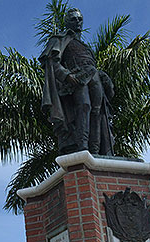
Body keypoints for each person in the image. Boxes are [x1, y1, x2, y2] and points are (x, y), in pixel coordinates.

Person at [40, 8, 115, 156]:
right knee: (84, 106)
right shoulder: (60, 39)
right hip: (77, 79)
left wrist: (102, 75)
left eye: (79, 19)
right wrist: (67, 76)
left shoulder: (86, 48)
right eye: (73, 19)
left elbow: (90, 64)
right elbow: (52, 63)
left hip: (94, 77)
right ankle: (83, 147)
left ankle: (95, 151)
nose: (77, 22)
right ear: (67, 22)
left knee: (98, 112)